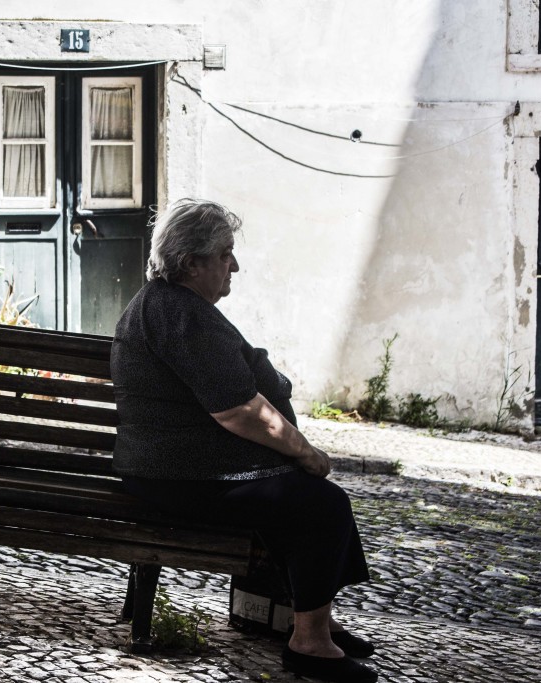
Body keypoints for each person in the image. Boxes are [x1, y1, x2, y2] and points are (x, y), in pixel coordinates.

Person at [110, 199, 378, 683]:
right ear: (192, 262)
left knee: (297, 494)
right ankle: (309, 643)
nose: (235, 265)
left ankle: (311, 618)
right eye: (225, 254)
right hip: (181, 477)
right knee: (323, 504)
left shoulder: (170, 305)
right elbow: (237, 410)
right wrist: (305, 452)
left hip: (174, 469)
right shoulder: (180, 315)